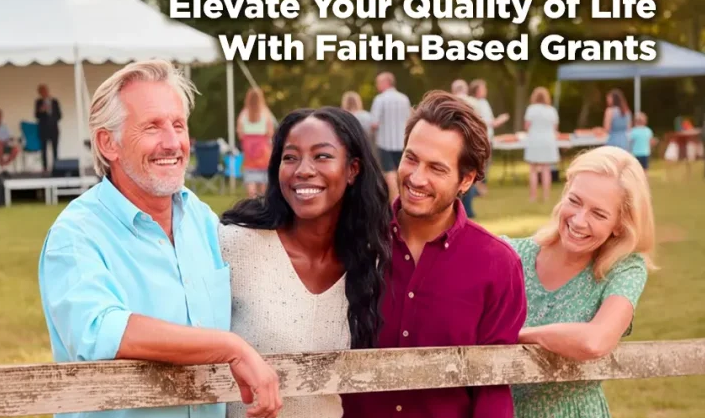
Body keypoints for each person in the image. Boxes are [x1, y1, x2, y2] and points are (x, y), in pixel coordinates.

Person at [37, 60, 282, 418]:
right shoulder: (75, 235)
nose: (172, 143)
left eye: (178, 125)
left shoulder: (199, 217)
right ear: (109, 143)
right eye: (152, 127)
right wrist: (231, 347)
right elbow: (100, 332)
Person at [342, 90, 527, 418]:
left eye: (436, 169)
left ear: (466, 180)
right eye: (411, 158)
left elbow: (493, 388)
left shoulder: (498, 266)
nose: (416, 178)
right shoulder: (354, 240)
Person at [219, 107, 392, 418]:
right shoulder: (236, 246)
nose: (303, 170)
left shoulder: (370, 263)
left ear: (353, 169)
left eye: (322, 156)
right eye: (290, 157)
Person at [503, 145, 656, 418]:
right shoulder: (511, 255)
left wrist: (516, 336)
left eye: (598, 214)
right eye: (574, 201)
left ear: (619, 224)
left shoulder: (624, 269)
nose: (579, 220)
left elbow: (596, 340)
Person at [370, 71, 412, 202]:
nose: (377, 86)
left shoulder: (380, 99)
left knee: (389, 173)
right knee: (403, 172)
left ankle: (394, 201)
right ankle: (406, 198)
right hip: (402, 142)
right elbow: (410, 119)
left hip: (385, 142)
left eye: (378, 83)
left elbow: (374, 123)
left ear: (385, 83)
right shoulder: (404, 98)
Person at [468, 79, 510, 196]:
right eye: (483, 88)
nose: (485, 90)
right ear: (477, 90)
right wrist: (501, 119)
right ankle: (478, 189)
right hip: (482, 138)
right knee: (481, 164)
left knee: (486, 164)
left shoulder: (484, 102)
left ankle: (480, 188)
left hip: (488, 138)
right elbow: (488, 122)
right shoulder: (476, 103)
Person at [523, 87, 560, 202]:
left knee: (533, 169)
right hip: (548, 141)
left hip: (535, 140)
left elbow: (527, 126)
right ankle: (546, 196)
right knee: (546, 169)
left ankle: (533, 196)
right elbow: (555, 127)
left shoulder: (531, 109)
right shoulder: (551, 110)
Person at [237, 87, 276, 197]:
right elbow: (270, 132)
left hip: (249, 151)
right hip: (263, 150)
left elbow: (240, 133)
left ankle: (252, 202)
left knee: (250, 178)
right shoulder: (266, 113)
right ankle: (263, 205)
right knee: (264, 183)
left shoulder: (244, 114)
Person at [450, 79, 479, 218]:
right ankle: (469, 210)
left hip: (454, 144)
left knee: (454, 176)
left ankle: (456, 210)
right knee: (469, 177)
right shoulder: (474, 102)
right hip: (472, 144)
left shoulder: (451, 102)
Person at [35, 84, 62, 173]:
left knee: (55, 149)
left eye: (45, 91)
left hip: (53, 128)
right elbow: (36, 115)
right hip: (43, 129)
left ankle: (56, 167)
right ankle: (45, 168)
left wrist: (51, 112)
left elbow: (59, 116)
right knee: (44, 149)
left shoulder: (54, 101)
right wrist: (41, 110)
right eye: (41, 92)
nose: (44, 93)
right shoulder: (38, 102)